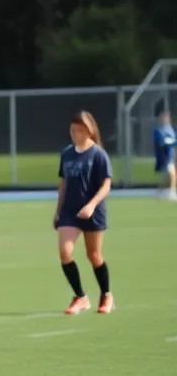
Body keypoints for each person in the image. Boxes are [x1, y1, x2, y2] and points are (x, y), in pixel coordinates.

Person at [56, 111, 113, 315]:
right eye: (72, 130)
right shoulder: (67, 153)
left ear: (89, 131)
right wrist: (58, 211)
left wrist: (91, 205)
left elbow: (106, 184)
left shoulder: (98, 154)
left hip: (93, 212)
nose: (75, 134)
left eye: (79, 130)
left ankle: (106, 294)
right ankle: (80, 297)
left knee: (94, 255)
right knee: (65, 252)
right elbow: (63, 184)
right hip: (70, 212)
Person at [154, 108, 176, 200]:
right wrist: (169, 141)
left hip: (171, 155)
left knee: (167, 176)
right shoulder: (158, 130)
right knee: (172, 174)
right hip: (164, 156)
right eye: (164, 117)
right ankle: (171, 192)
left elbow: (174, 140)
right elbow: (161, 142)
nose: (165, 119)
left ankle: (159, 192)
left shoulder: (170, 129)